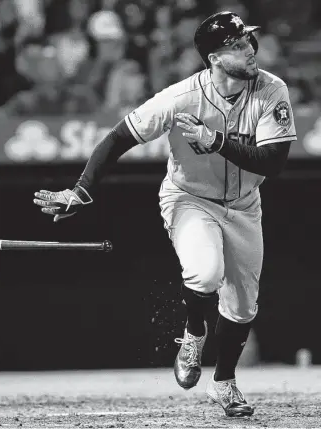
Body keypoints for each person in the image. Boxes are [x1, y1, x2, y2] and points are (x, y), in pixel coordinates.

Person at [33, 11, 297, 417]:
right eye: (237, 44)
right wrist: (80, 191)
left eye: (248, 41)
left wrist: (216, 141)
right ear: (213, 57)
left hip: (245, 206)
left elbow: (274, 163)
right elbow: (119, 136)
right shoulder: (181, 97)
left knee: (243, 306)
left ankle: (224, 383)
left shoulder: (271, 90)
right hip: (190, 199)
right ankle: (193, 333)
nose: (249, 49)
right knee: (205, 273)